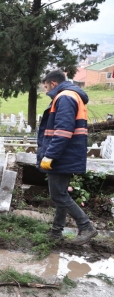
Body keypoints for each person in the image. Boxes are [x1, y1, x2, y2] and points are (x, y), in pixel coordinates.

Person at [38, 70, 97, 245]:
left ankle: (86, 226)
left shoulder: (64, 97)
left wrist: (50, 155)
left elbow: (63, 131)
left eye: (46, 86)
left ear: (53, 84)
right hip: (68, 154)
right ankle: (56, 231)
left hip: (62, 155)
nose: (46, 90)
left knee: (58, 195)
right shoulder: (72, 95)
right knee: (61, 193)